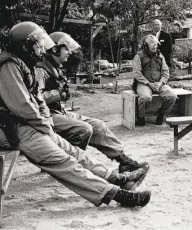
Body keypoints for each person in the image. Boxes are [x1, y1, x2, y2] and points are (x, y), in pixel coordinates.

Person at [0, 22, 151, 207]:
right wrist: (44, 125)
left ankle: (116, 178)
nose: (41, 48)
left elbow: (37, 99)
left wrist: (45, 121)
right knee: (64, 162)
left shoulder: (24, 63)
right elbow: (21, 105)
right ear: (25, 45)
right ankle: (116, 195)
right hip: (12, 129)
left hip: (28, 124)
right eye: (37, 44)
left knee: (75, 152)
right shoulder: (9, 65)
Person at [35, 32, 148, 173]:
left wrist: (61, 94)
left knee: (98, 126)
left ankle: (123, 160)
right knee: (83, 129)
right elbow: (35, 97)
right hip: (46, 116)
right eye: (66, 49)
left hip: (59, 112)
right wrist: (58, 94)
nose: (69, 53)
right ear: (55, 49)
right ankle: (66, 163)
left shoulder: (54, 68)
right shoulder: (40, 69)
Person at [133, 35, 177, 126]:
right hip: (144, 84)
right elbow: (137, 73)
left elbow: (165, 72)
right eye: (152, 44)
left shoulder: (160, 56)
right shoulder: (138, 56)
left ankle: (161, 113)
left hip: (159, 83)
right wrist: (148, 84)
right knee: (145, 98)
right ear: (146, 45)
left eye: (156, 44)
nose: (155, 46)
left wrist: (160, 83)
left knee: (172, 96)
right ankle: (140, 116)